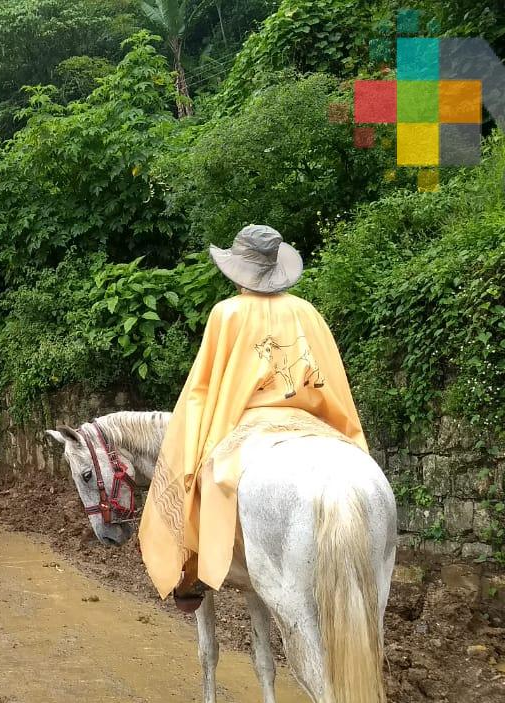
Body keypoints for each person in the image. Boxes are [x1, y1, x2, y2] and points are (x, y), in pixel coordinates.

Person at [138, 224, 366, 611]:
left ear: (238, 271)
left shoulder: (226, 314)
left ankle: (191, 571)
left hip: (253, 423)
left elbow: (202, 389)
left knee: (203, 477)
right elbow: (334, 382)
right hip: (311, 419)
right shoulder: (307, 312)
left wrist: (190, 439)